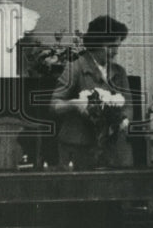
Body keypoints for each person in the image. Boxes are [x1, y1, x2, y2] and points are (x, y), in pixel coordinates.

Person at [50, 15, 132, 170]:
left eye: (117, 46)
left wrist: (123, 122)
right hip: (78, 147)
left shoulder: (119, 72)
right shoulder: (74, 68)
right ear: (97, 43)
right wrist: (74, 104)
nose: (115, 52)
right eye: (111, 46)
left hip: (111, 147)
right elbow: (54, 105)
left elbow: (128, 105)